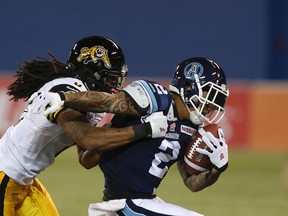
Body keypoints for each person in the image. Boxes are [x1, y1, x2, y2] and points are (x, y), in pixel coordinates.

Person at [33, 57, 230, 216]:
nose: (213, 104)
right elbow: (106, 102)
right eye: (210, 94)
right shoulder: (155, 99)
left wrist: (216, 169)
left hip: (141, 203)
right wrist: (63, 98)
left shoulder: (194, 129)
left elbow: (191, 183)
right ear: (188, 86)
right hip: (124, 203)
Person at [0, 36, 168, 216]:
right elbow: (90, 140)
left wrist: (113, 130)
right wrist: (145, 130)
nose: (114, 85)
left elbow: (86, 160)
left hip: (23, 182)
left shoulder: (87, 101)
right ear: (91, 73)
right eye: (110, 78)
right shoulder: (65, 89)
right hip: (5, 175)